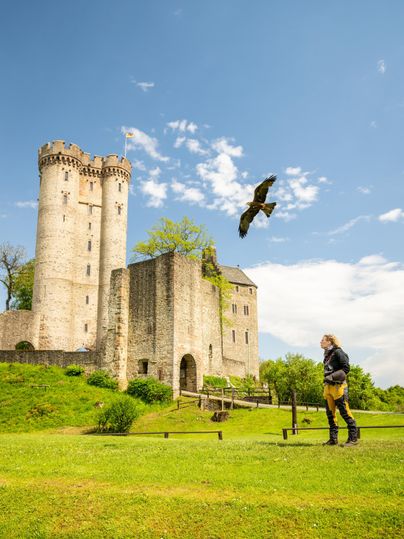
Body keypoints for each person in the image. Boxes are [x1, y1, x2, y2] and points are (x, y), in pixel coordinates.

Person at [320, 334, 358, 447]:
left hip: (339, 387)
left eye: (322, 340)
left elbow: (346, 368)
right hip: (328, 387)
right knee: (330, 414)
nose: (320, 342)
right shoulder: (327, 354)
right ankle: (333, 439)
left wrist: (332, 377)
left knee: (345, 412)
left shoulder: (338, 352)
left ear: (330, 342)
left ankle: (353, 439)